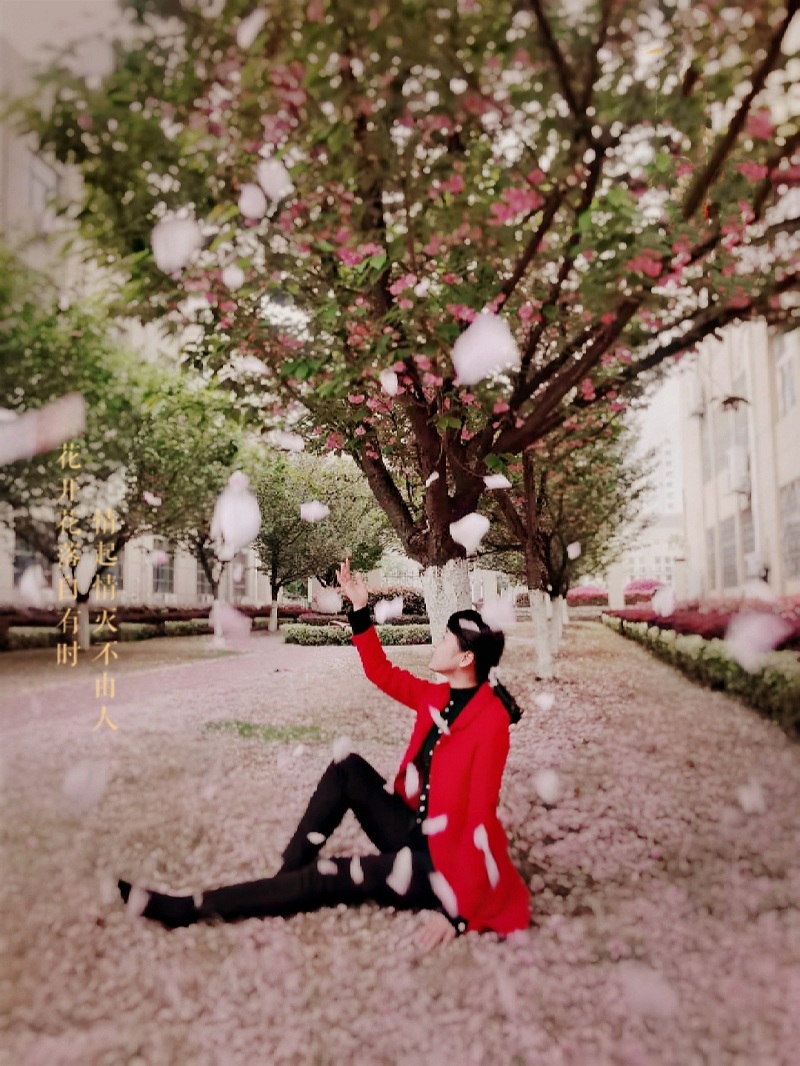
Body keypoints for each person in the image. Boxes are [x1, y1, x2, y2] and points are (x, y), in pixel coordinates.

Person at [118, 559, 530, 953]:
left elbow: (480, 820)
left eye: (446, 639)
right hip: (410, 828)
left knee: (325, 878)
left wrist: (457, 912)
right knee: (346, 768)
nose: (437, 642)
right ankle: (281, 884)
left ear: (465, 658)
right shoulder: (437, 697)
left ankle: (184, 909)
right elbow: (381, 672)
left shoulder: (490, 722)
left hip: (439, 865)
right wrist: (360, 608)